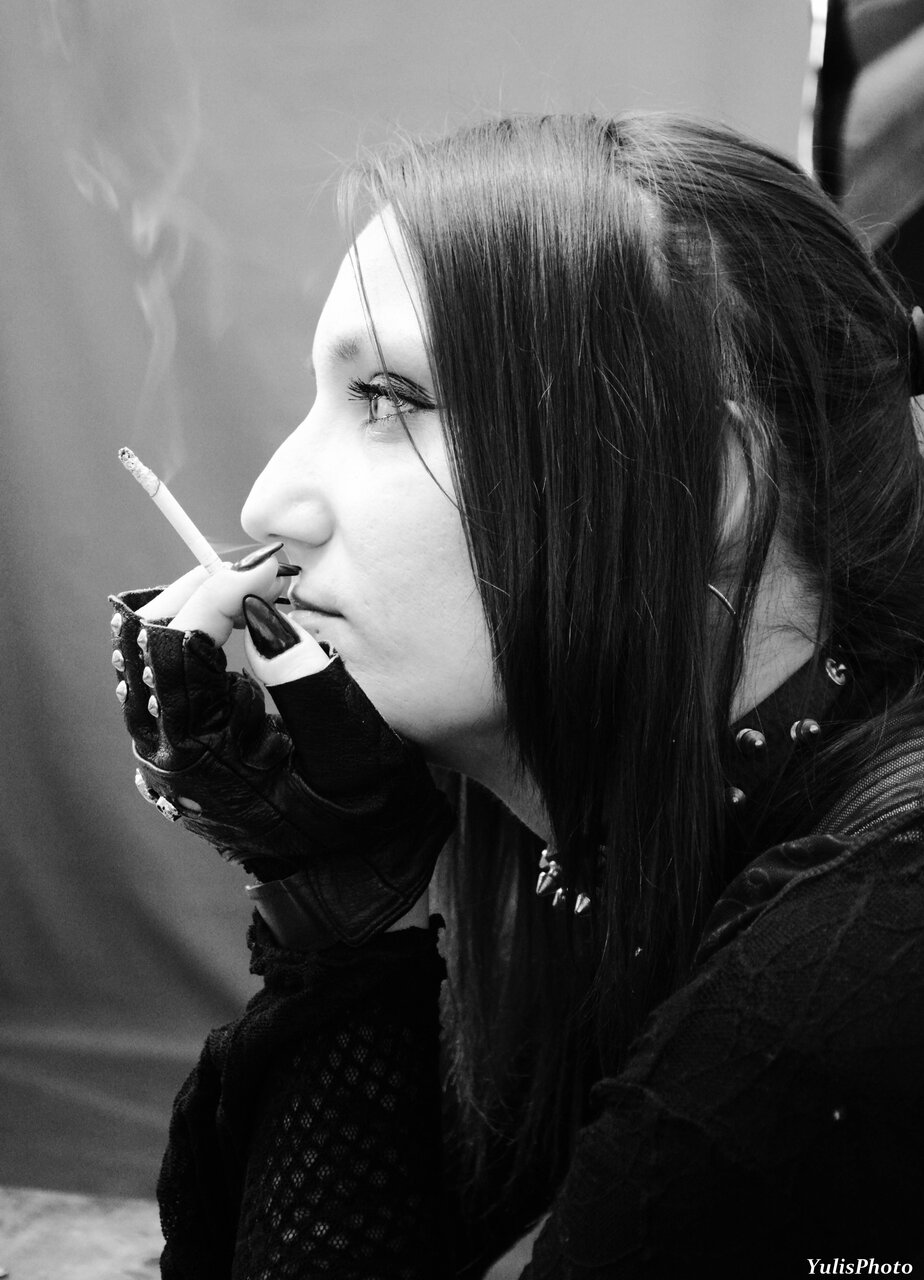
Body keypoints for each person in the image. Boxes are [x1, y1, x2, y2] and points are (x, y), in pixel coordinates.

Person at [108, 113, 924, 1278]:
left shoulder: (850, 979)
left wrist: (339, 938)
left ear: (704, 485)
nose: (269, 502)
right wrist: (342, 892)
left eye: (388, 397)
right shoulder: (601, 861)